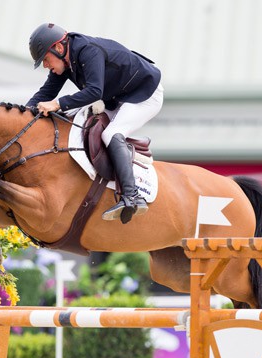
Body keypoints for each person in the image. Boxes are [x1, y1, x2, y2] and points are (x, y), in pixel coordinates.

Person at [27, 23, 163, 223]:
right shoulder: (65, 60)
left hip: (145, 94)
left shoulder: (88, 51)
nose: (46, 66)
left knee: (110, 134)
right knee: (82, 127)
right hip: (118, 98)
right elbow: (46, 93)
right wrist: (23, 114)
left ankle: (132, 195)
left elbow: (94, 92)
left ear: (58, 47)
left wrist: (57, 104)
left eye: (46, 60)